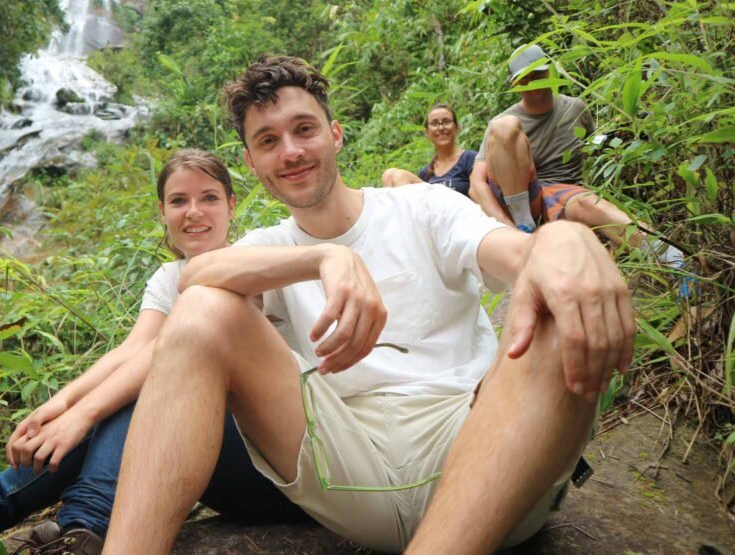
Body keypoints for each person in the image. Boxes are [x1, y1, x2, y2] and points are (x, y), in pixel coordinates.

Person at [102, 55, 634, 555]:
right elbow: (196, 275)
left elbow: (522, 254)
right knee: (202, 312)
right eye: (268, 140)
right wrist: (323, 259)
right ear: (251, 161)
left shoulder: (422, 207)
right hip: (345, 467)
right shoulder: (266, 247)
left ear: (335, 133)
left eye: (304, 129)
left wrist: (564, 241)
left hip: (478, 455)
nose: (290, 151)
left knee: (557, 302)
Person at [0, 148, 307, 555]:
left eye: (210, 198)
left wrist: (83, 414)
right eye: (179, 201)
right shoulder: (171, 276)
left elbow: (154, 361)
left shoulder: (247, 264)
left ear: (231, 206)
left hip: (279, 472)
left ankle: (75, 528)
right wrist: (60, 406)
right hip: (218, 464)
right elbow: (132, 350)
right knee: (131, 391)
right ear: (162, 211)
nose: (194, 212)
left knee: (143, 395)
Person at [470, 44, 685, 266]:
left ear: (549, 71)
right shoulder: (503, 121)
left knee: (591, 205)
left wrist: (624, 136)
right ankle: (525, 225)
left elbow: (590, 149)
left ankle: (673, 258)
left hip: (564, 192)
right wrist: (507, 228)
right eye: (525, 78)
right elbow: (476, 185)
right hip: (522, 194)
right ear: (514, 83)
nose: (532, 82)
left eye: (537, 73)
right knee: (505, 126)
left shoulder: (575, 109)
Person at [382, 103, 476, 198]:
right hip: (432, 212)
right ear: (427, 133)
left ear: (457, 128)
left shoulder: (469, 159)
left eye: (446, 122)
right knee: (388, 174)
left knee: (400, 175)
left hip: (459, 210)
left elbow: (478, 191)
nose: (441, 128)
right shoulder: (425, 173)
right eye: (434, 124)